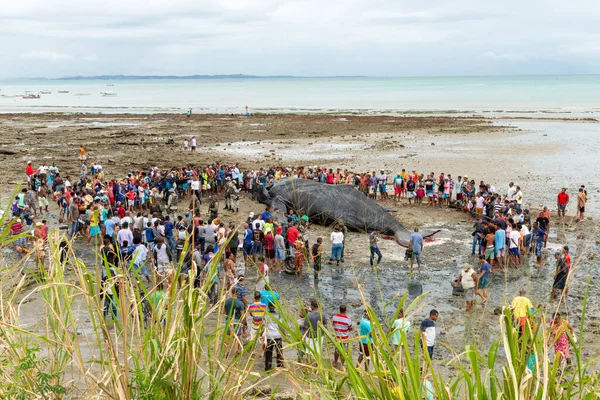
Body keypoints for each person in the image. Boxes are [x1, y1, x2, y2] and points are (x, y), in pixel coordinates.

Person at [224, 287, 245, 356]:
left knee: (227, 336)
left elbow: (224, 311)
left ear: (231, 293)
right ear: (238, 293)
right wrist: (244, 324)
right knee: (237, 338)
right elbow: (243, 315)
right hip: (237, 322)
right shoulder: (240, 303)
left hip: (229, 320)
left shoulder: (227, 301)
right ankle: (235, 353)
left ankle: (226, 352)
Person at [263, 302, 284, 371]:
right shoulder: (278, 315)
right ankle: (280, 366)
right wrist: (284, 334)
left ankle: (268, 368)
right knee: (279, 352)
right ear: (275, 307)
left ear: (268, 307)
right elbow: (281, 326)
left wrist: (261, 335)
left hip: (269, 336)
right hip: (277, 335)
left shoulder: (266, 315)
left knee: (268, 352)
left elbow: (263, 326)